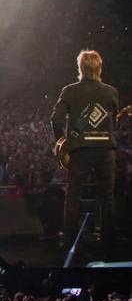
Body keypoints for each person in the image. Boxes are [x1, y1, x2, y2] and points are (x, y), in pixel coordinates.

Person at [51, 50, 121, 242]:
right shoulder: (111, 91)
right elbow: (114, 121)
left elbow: (55, 119)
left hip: (80, 149)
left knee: (73, 193)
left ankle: (70, 235)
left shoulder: (69, 90)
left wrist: (62, 143)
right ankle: (109, 237)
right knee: (107, 195)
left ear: (80, 68)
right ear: (99, 68)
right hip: (106, 150)